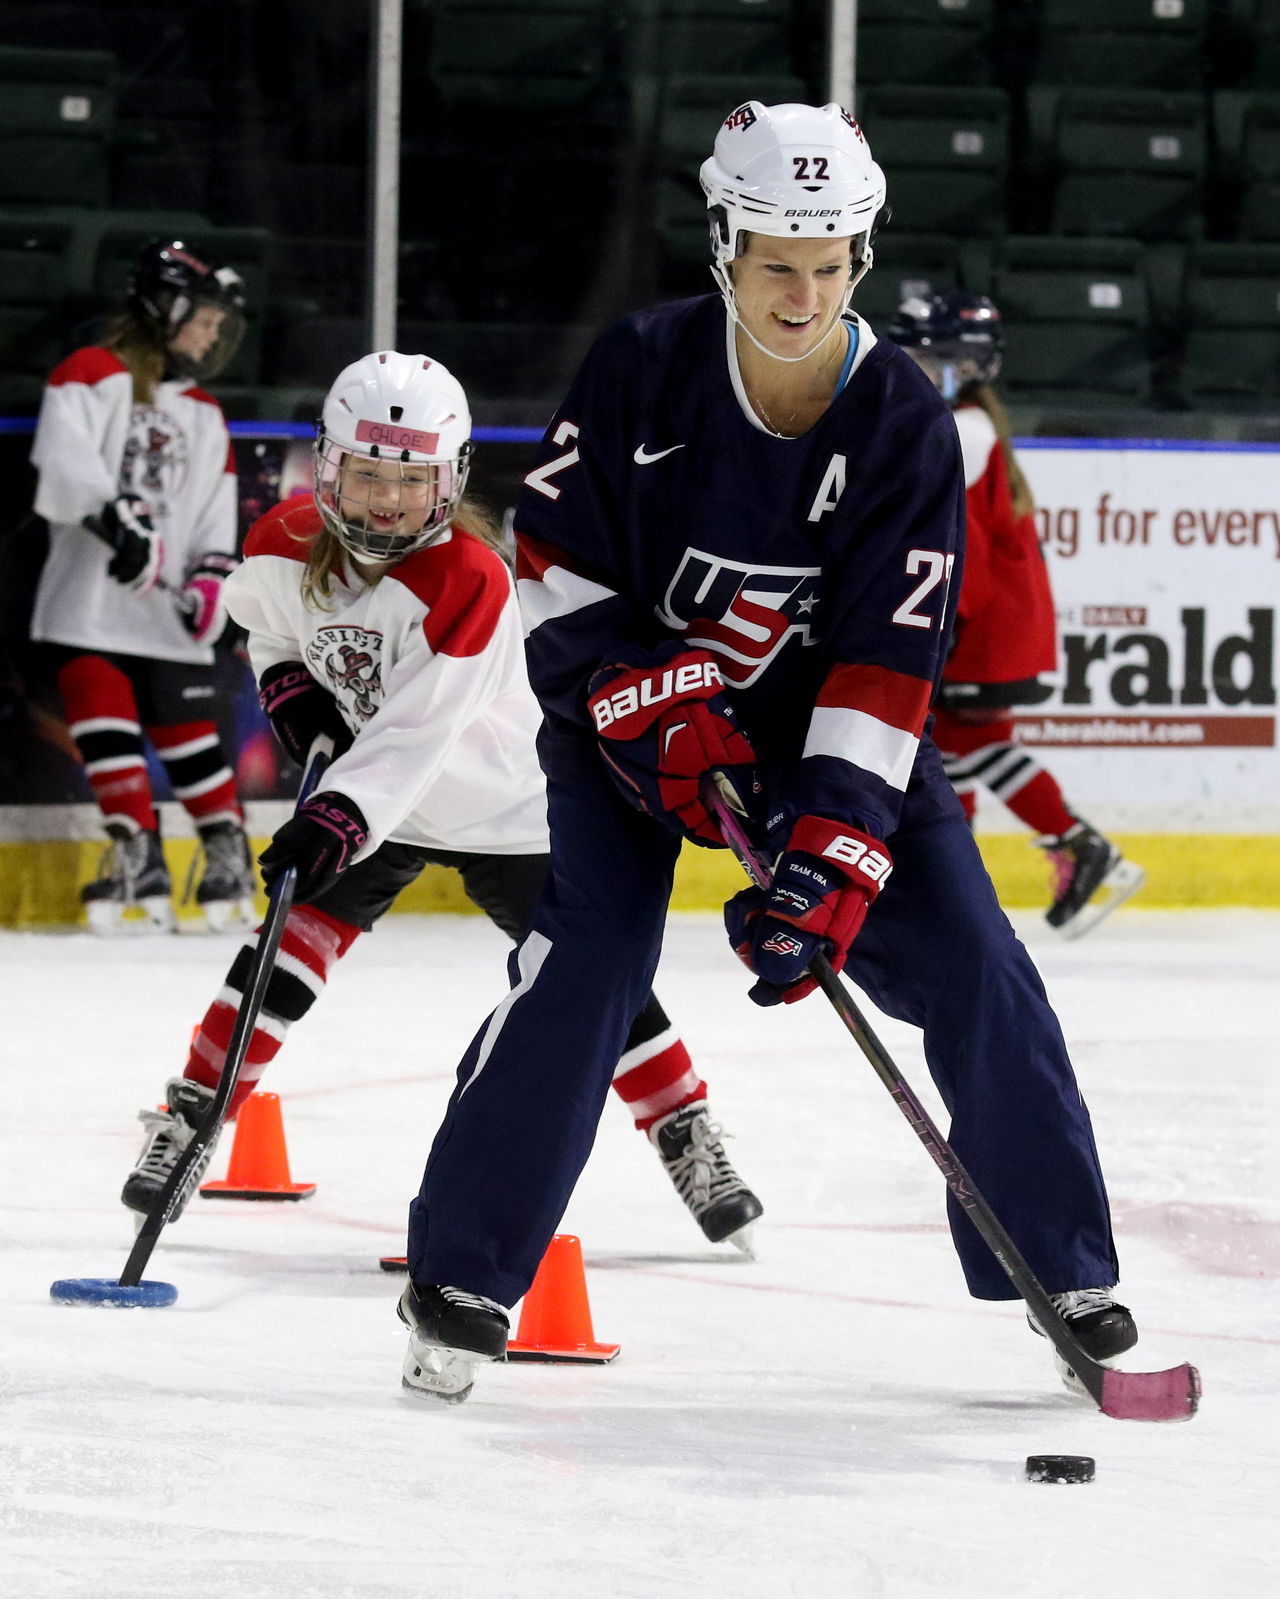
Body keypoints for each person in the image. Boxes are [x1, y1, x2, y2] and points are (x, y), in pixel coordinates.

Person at [397, 101, 1139, 1404]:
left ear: (862, 256)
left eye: (833, 261)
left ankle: (1061, 1263)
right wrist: (667, 712)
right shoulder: (640, 369)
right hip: (632, 729)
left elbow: (886, 661)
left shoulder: (902, 417)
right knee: (591, 961)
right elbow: (559, 577)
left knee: (974, 956)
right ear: (726, 247)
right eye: (776, 262)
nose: (805, 292)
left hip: (815, 740)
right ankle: (461, 1270)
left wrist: (834, 857)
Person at [119, 350, 762, 1256]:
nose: (387, 500)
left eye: (412, 480)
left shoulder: (470, 579)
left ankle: (682, 1125)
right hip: (378, 797)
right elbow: (268, 631)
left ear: (450, 479)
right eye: (369, 473)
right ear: (329, 465)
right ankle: (192, 1118)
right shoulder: (281, 544)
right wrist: (293, 693)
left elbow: (416, 733)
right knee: (280, 952)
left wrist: (336, 815)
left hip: (504, 804)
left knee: (587, 982)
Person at [886, 289, 1145, 938]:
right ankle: (968, 878)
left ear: (956, 364)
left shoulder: (960, 432)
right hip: (990, 624)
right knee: (952, 743)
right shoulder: (971, 425)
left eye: (920, 357)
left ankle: (1074, 847)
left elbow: (944, 543)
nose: (904, 368)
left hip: (979, 628)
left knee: (958, 740)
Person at [28, 239, 255, 933]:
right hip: (91, 601)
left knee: (188, 733)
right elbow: (62, 465)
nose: (213, 335)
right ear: (168, 305)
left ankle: (227, 858)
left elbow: (217, 514)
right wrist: (115, 520)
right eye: (206, 320)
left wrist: (215, 574)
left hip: (167, 613)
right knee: (100, 711)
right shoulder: (88, 374)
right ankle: (138, 854)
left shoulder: (205, 413)